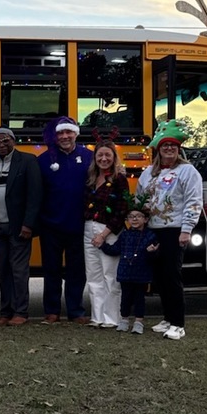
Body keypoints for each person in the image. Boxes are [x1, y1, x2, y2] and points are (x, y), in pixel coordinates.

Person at [136, 119, 203, 340]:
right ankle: (167, 317)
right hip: (154, 230)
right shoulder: (148, 173)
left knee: (172, 275)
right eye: (165, 145)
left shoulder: (188, 171)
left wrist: (186, 229)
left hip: (174, 230)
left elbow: (194, 201)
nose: (169, 149)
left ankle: (178, 323)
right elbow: (140, 198)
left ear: (178, 149)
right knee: (159, 277)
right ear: (158, 148)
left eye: (173, 146)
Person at [37, 117, 94, 324]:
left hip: (79, 224)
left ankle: (76, 310)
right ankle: (52, 311)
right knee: (51, 270)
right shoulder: (44, 160)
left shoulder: (90, 157)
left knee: (76, 271)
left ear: (75, 134)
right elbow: (37, 193)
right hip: (50, 224)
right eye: (60, 133)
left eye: (68, 133)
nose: (64, 137)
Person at [0, 126, 42, 326]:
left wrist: (28, 224)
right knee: (3, 270)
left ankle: (21, 312)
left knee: (19, 270)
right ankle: (5, 312)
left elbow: (35, 195)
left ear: (13, 140)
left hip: (19, 227)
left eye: (5, 140)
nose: (1, 145)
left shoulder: (27, 161)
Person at [83, 140, 130, 328]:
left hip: (109, 231)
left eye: (107, 155)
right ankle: (97, 316)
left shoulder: (119, 179)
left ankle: (112, 318)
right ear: (95, 158)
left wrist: (103, 235)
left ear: (113, 157)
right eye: (100, 155)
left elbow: (121, 210)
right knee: (93, 275)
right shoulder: (91, 178)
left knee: (110, 275)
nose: (103, 159)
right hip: (88, 228)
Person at [101, 205, 158, 334]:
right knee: (125, 298)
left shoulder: (150, 236)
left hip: (142, 274)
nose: (135, 219)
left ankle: (138, 322)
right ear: (127, 219)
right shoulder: (125, 235)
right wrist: (102, 245)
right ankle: (124, 320)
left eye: (138, 216)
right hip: (125, 273)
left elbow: (154, 257)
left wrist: (152, 252)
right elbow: (115, 250)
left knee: (139, 299)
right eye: (131, 217)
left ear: (146, 219)